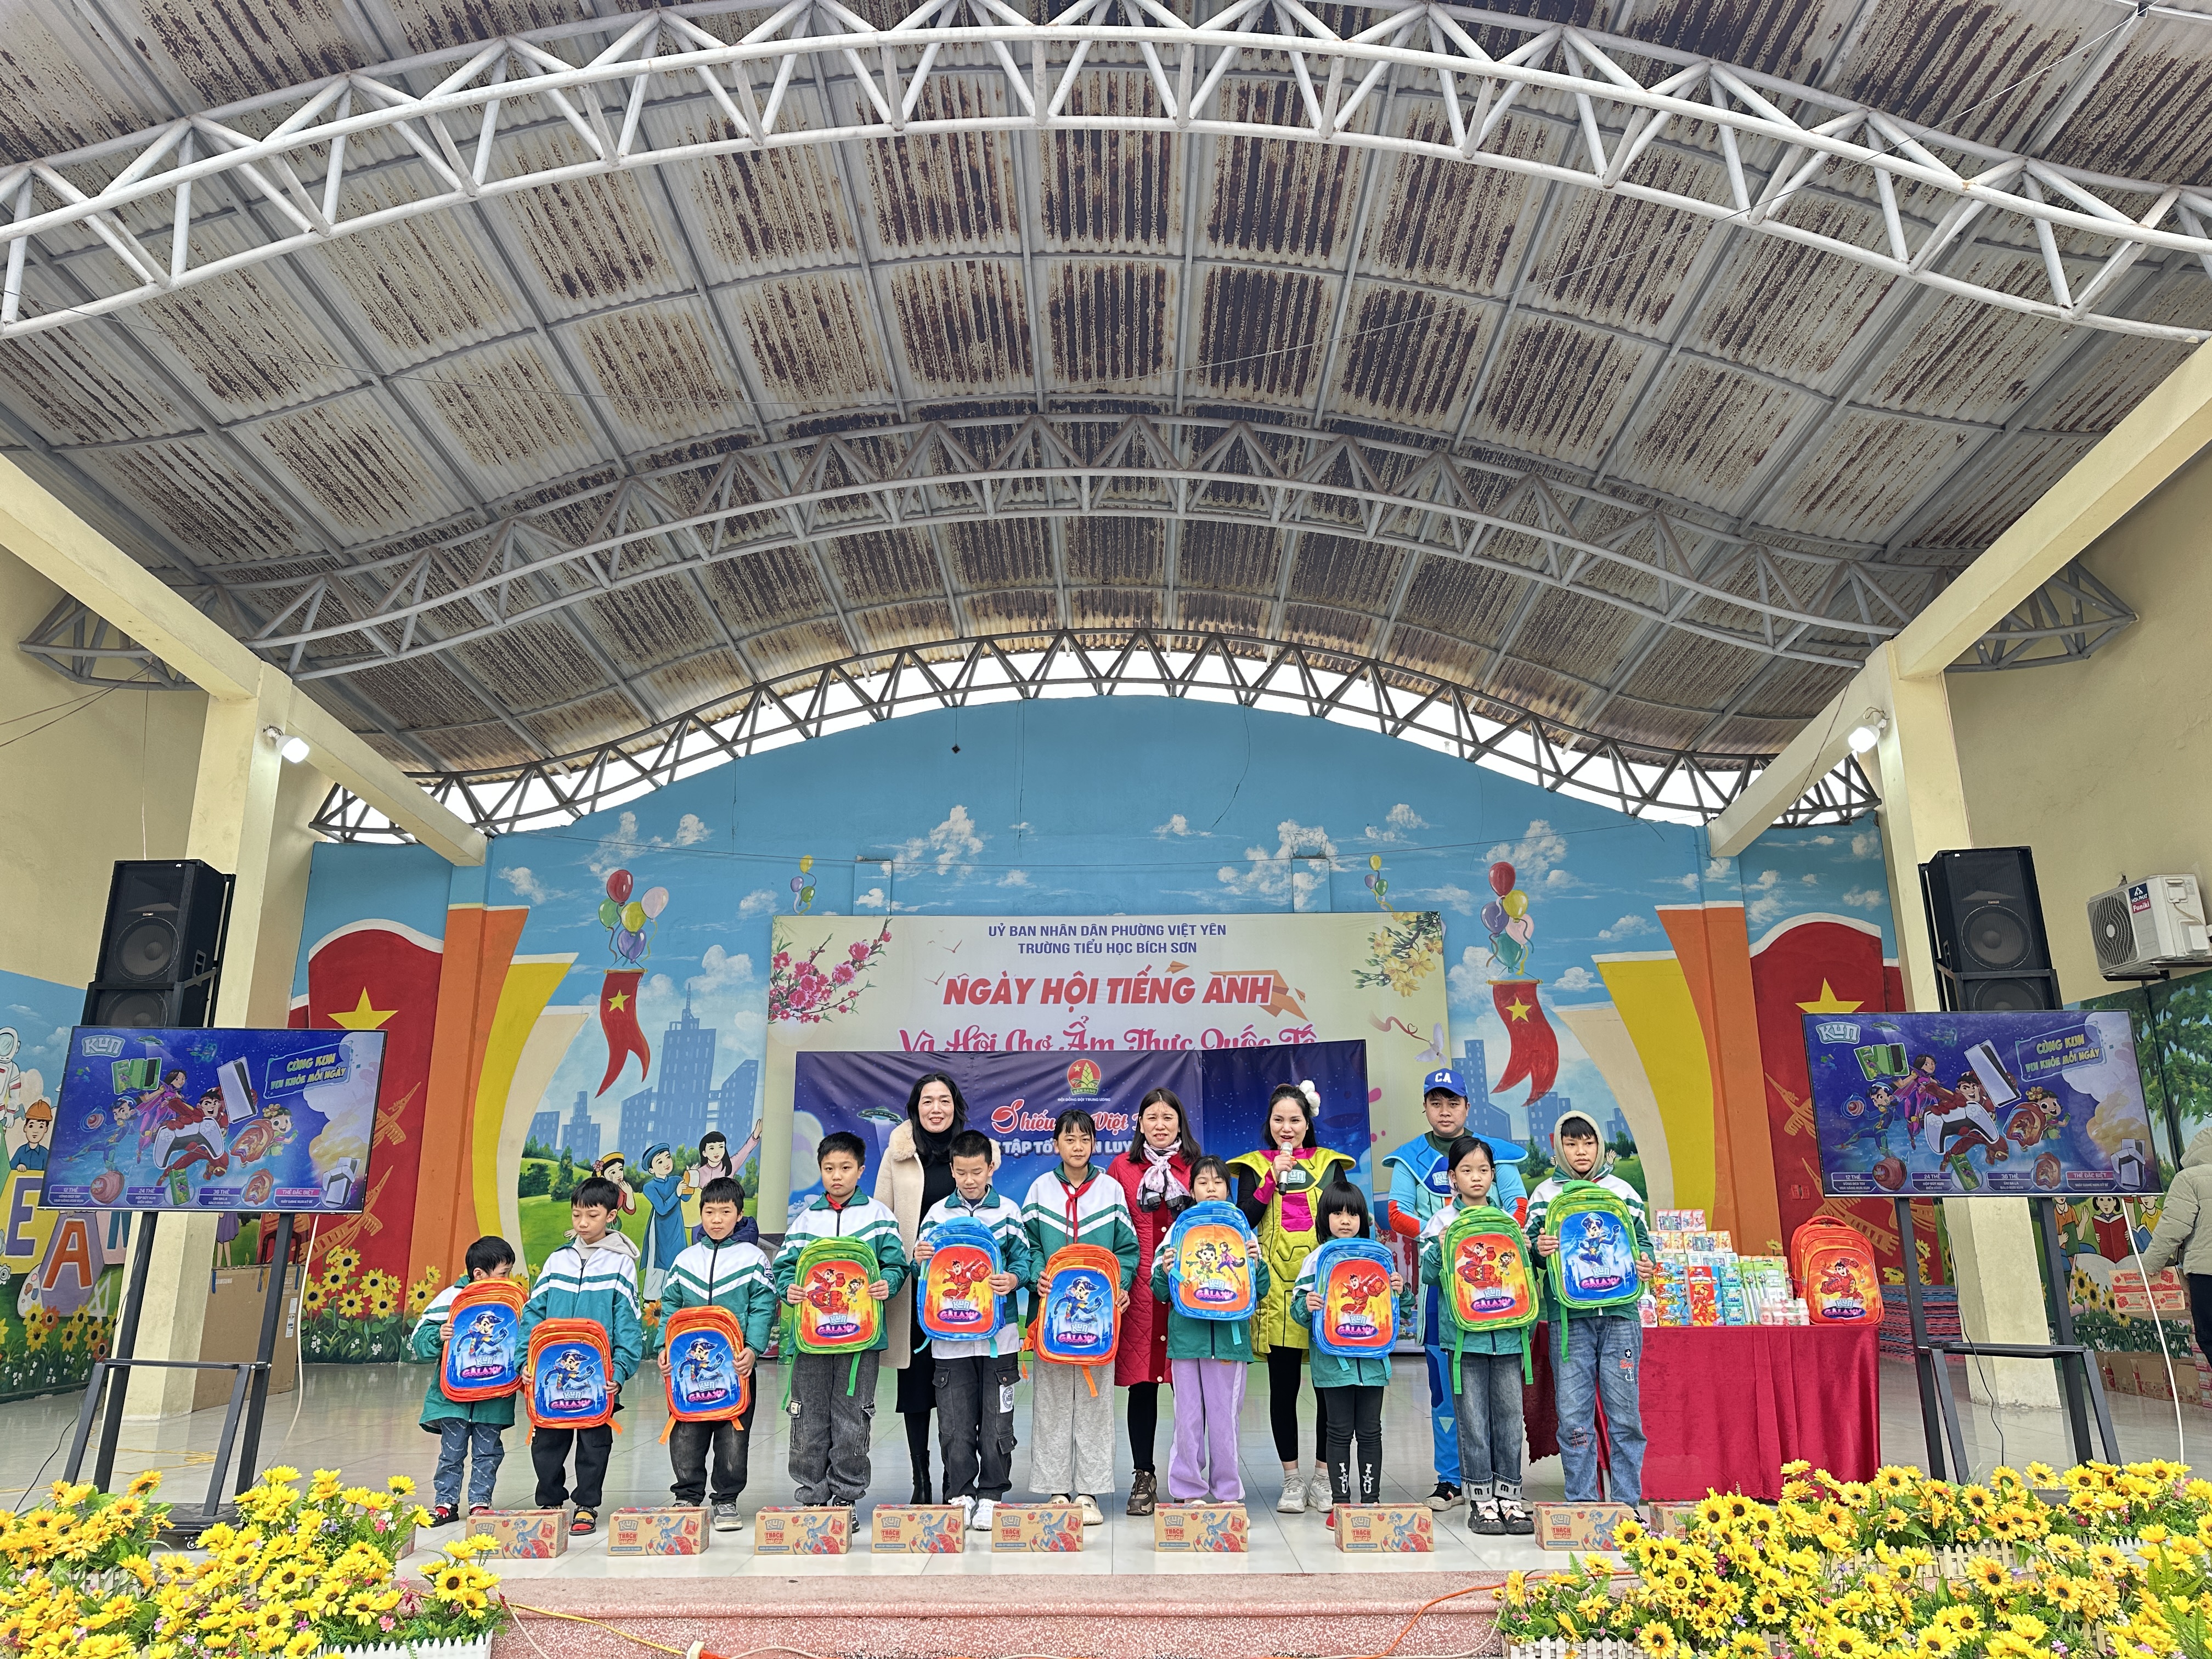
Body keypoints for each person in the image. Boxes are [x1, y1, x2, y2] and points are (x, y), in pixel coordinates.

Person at [1379, 1065, 1526, 1511]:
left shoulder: (1496, 1155)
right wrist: (1447, 1235)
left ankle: (1502, 1480)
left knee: (1503, 1396)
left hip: (1499, 1294)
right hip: (1440, 1293)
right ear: (1425, 1107)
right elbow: (1397, 1213)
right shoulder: (1408, 1158)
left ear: (1467, 1106)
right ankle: (1450, 1479)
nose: (1445, 1111)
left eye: (1453, 1103)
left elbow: (1519, 1206)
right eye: (1436, 1103)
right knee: (1446, 1390)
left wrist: (1484, 1236)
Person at [1229, 1081, 1355, 1516]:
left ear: (1308, 1123)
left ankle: (1323, 1476)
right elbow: (1243, 1219)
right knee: (1283, 1391)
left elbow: (1346, 1218)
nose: (1287, 1127)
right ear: (1269, 1123)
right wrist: (1271, 1180)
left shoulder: (1330, 1164)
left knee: (1328, 1390)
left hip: (1324, 1290)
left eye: (1295, 1120)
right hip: (1277, 1294)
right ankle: (1291, 1479)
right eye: (1279, 1120)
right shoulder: (1252, 1165)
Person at [1525, 1109, 1656, 1511]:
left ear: (1600, 1145)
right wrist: (1539, 1250)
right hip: (1569, 1321)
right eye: (1571, 1143)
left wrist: (1647, 1264)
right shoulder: (1544, 1195)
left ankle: (1628, 1505)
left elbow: (1643, 1244)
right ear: (1559, 1148)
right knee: (1573, 1418)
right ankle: (1582, 1505)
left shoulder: (1623, 1191)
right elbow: (1531, 1253)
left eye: (1588, 1142)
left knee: (1625, 1417)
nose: (1581, 1151)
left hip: (1620, 1318)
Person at [773, 1131, 909, 1508]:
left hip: (860, 1340)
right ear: (820, 1170)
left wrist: (887, 1283)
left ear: (861, 1170)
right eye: (829, 1168)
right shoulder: (806, 1220)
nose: (837, 1176)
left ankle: (846, 1497)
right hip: (811, 1339)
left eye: (846, 1168)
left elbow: (897, 1264)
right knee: (808, 1415)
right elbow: (784, 1267)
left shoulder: (879, 1217)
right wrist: (789, 1289)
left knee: (853, 1416)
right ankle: (812, 1496)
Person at [1021, 1108, 1138, 1525]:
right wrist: (1038, 1275)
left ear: (1094, 1144)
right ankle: (1056, 1489)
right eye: (1069, 1139)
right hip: (1052, 1319)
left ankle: (1089, 1491)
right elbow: (1028, 1245)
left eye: (1085, 1139)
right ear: (1056, 1144)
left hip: (1098, 1321)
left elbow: (1128, 1249)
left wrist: (1120, 1286)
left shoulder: (1110, 1191)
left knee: (1095, 1402)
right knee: (1052, 1403)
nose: (1077, 1146)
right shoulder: (1040, 1190)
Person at [913, 1127, 1033, 1532]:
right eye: (961, 1172)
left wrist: (1013, 1279)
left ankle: (992, 1494)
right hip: (949, 1341)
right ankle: (961, 1493)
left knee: (998, 1422)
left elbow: (1024, 1261)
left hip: (1000, 1339)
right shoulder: (937, 1215)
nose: (969, 1180)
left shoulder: (1009, 1212)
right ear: (951, 1169)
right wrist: (919, 1258)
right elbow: (920, 1271)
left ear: (991, 1169)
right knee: (954, 1423)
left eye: (977, 1172)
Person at [1419, 1137, 1532, 1535]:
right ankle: (1481, 1499)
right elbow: (1429, 1275)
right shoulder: (1441, 1222)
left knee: (1509, 1418)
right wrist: (1440, 1247)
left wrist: (1527, 1250)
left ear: (1494, 1175)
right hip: (1465, 1340)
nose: (1476, 1177)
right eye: (1467, 1171)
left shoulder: (1507, 1222)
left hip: (1508, 1336)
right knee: (1472, 1420)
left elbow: (1522, 1278)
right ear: (1453, 1178)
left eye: (1483, 1170)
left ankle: (1510, 1496)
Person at [518, 1178, 644, 1535]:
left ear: (611, 1216)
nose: (583, 1223)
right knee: (547, 1441)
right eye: (577, 1215)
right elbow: (532, 1314)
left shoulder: (621, 1265)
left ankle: (587, 1504)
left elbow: (629, 1324)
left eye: (592, 1215)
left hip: (597, 1376)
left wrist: (620, 1370)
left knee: (594, 1443)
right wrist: (524, 1362)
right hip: (550, 1374)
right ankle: (550, 1501)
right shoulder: (557, 1261)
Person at [1147, 1155, 1265, 1506]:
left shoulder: (1242, 1231)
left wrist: (1256, 1265)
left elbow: (1260, 1290)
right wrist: (1166, 1269)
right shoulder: (1178, 1231)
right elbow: (1161, 1292)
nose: (1211, 1188)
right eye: (1203, 1182)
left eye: (1218, 1182)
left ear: (1228, 1190)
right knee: (1188, 1419)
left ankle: (1228, 1493)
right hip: (1187, 1341)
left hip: (1230, 1342)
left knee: (1225, 1420)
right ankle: (1188, 1491)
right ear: (1192, 1189)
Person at [658, 1175, 774, 1530]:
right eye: (709, 1212)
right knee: (687, 1432)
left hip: (736, 1367)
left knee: (733, 1434)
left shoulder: (753, 1259)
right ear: (701, 1214)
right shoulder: (685, 1260)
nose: (717, 1219)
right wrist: (665, 1347)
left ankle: (726, 1499)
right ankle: (687, 1495)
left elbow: (763, 1306)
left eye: (725, 1212)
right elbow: (670, 1307)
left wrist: (753, 1349)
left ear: (740, 1214)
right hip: (688, 1368)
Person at [874, 1071, 967, 1503]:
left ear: (955, 1106)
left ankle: (954, 1478)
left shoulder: (972, 1151)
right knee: (916, 1388)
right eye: (927, 1100)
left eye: (944, 1100)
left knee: (957, 1384)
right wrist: (898, 1261)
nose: (936, 1108)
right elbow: (882, 1217)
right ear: (915, 1108)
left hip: (961, 1291)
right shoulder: (897, 1155)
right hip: (913, 1287)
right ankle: (921, 1480)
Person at [1108, 1086, 1200, 1516]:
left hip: (1187, 1293)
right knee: (1142, 1388)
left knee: (1189, 1391)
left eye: (1168, 1117)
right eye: (1152, 1118)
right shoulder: (1121, 1169)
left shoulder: (1196, 1168)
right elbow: (1114, 1230)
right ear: (1139, 1124)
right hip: (1140, 1294)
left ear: (1180, 1123)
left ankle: (1188, 1477)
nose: (1160, 1126)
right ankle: (1143, 1475)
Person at [1290, 1178, 1401, 1529]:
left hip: (1373, 1362)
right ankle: (1340, 1505)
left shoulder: (1378, 1256)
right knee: (1337, 1431)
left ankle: (1371, 1501)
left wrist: (1401, 1290)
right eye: (1337, 1213)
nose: (1345, 1220)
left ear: (1362, 1219)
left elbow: (1396, 1307)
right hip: (1332, 1363)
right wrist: (1306, 1305)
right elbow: (1297, 1310)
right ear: (1324, 1219)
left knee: (1370, 1431)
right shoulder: (1316, 1260)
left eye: (1352, 1214)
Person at [410, 1234, 519, 1526]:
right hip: (453, 1398)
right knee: (452, 1452)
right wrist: (438, 1335)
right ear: (479, 1274)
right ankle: (445, 1504)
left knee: (488, 1452)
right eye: (503, 1273)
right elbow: (419, 1341)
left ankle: (480, 1503)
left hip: (493, 1398)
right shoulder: (451, 1299)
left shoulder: (510, 1301)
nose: (508, 1279)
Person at [638, 1143, 689, 1298]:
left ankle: (673, 1295)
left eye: (668, 1158)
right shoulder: (649, 1187)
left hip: (676, 1225)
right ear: (651, 1170)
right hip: (660, 1228)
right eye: (660, 1162)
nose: (666, 1163)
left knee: (677, 1257)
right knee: (658, 1261)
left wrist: (690, 1178)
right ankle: (651, 1297)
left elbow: (687, 1197)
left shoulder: (676, 1180)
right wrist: (677, 1193)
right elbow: (662, 1208)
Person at [9, 1099, 52, 1172]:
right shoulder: (21, 1151)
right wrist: (18, 1167)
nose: (35, 1131)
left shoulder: (45, 1154)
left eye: (41, 1127)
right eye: (31, 1126)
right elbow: (9, 1170)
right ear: (25, 1128)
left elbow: (49, 1173)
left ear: (46, 1129)